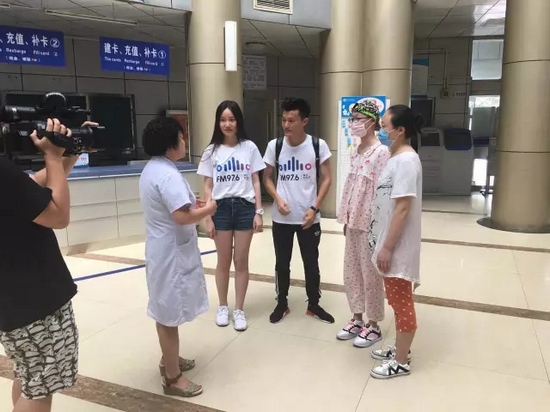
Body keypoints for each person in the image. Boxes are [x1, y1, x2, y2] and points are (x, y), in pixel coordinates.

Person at [0, 118, 95, 412]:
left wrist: (68, 152)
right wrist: (52, 156)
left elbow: (31, 187)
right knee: (41, 388)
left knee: (30, 377)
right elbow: (58, 215)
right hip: (35, 300)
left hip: (14, 298)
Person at [139, 117, 217, 397]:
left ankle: (169, 359)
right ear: (171, 144)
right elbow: (181, 216)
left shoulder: (154, 168)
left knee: (165, 311)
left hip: (162, 251)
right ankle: (173, 377)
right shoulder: (167, 175)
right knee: (168, 317)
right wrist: (210, 209)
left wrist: (194, 203)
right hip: (171, 256)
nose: (184, 141)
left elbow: (176, 205)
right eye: (181, 138)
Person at [263, 97, 334, 324]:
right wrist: (277, 198)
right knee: (282, 263)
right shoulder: (275, 146)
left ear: (304, 121)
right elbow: (266, 177)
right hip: (281, 218)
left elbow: (327, 179)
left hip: (308, 217)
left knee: (311, 262)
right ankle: (281, 302)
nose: (286, 125)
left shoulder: (317, 145)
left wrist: (315, 207)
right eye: (284, 120)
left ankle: (314, 304)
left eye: (291, 120)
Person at [197, 100, 265, 332]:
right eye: (223, 120)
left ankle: (239, 309)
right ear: (218, 122)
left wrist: (258, 212)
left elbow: (256, 181)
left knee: (241, 261)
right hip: (221, 209)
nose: (227, 124)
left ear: (238, 122)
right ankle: (223, 306)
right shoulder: (211, 151)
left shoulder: (249, 147)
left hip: (245, 207)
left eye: (232, 119)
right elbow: (208, 185)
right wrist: (208, 218)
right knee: (223, 260)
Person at [367, 105, 423, 379]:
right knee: (396, 301)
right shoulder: (396, 157)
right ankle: (402, 349)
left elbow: (402, 209)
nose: (380, 131)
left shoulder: (407, 161)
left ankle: (401, 361)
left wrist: (388, 247)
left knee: (402, 303)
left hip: (398, 248)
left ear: (400, 130)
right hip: (389, 242)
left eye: (384, 126)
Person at [336, 101, 390, 347]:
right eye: (352, 118)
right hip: (353, 221)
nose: (354, 123)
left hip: (370, 223)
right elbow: (352, 187)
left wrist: (379, 226)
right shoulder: (355, 150)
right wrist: (347, 217)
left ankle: (374, 324)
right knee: (352, 272)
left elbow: (382, 191)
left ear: (371, 121)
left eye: (358, 118)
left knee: (371, 276)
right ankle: (357, 317)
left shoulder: (381, 153)